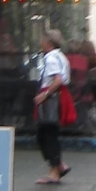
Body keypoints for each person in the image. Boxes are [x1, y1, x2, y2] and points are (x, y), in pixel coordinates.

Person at [33, 29, 72, 183]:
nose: (41, 43)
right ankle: (58, 165)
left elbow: (57, 79)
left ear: (48, 43)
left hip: (51, 98)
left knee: (46, 134)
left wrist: (45, 94)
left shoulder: (51, 58)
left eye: (42, 40)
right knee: (48, 133)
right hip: (59, 96)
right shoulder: (61, 56)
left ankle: (55, 170)